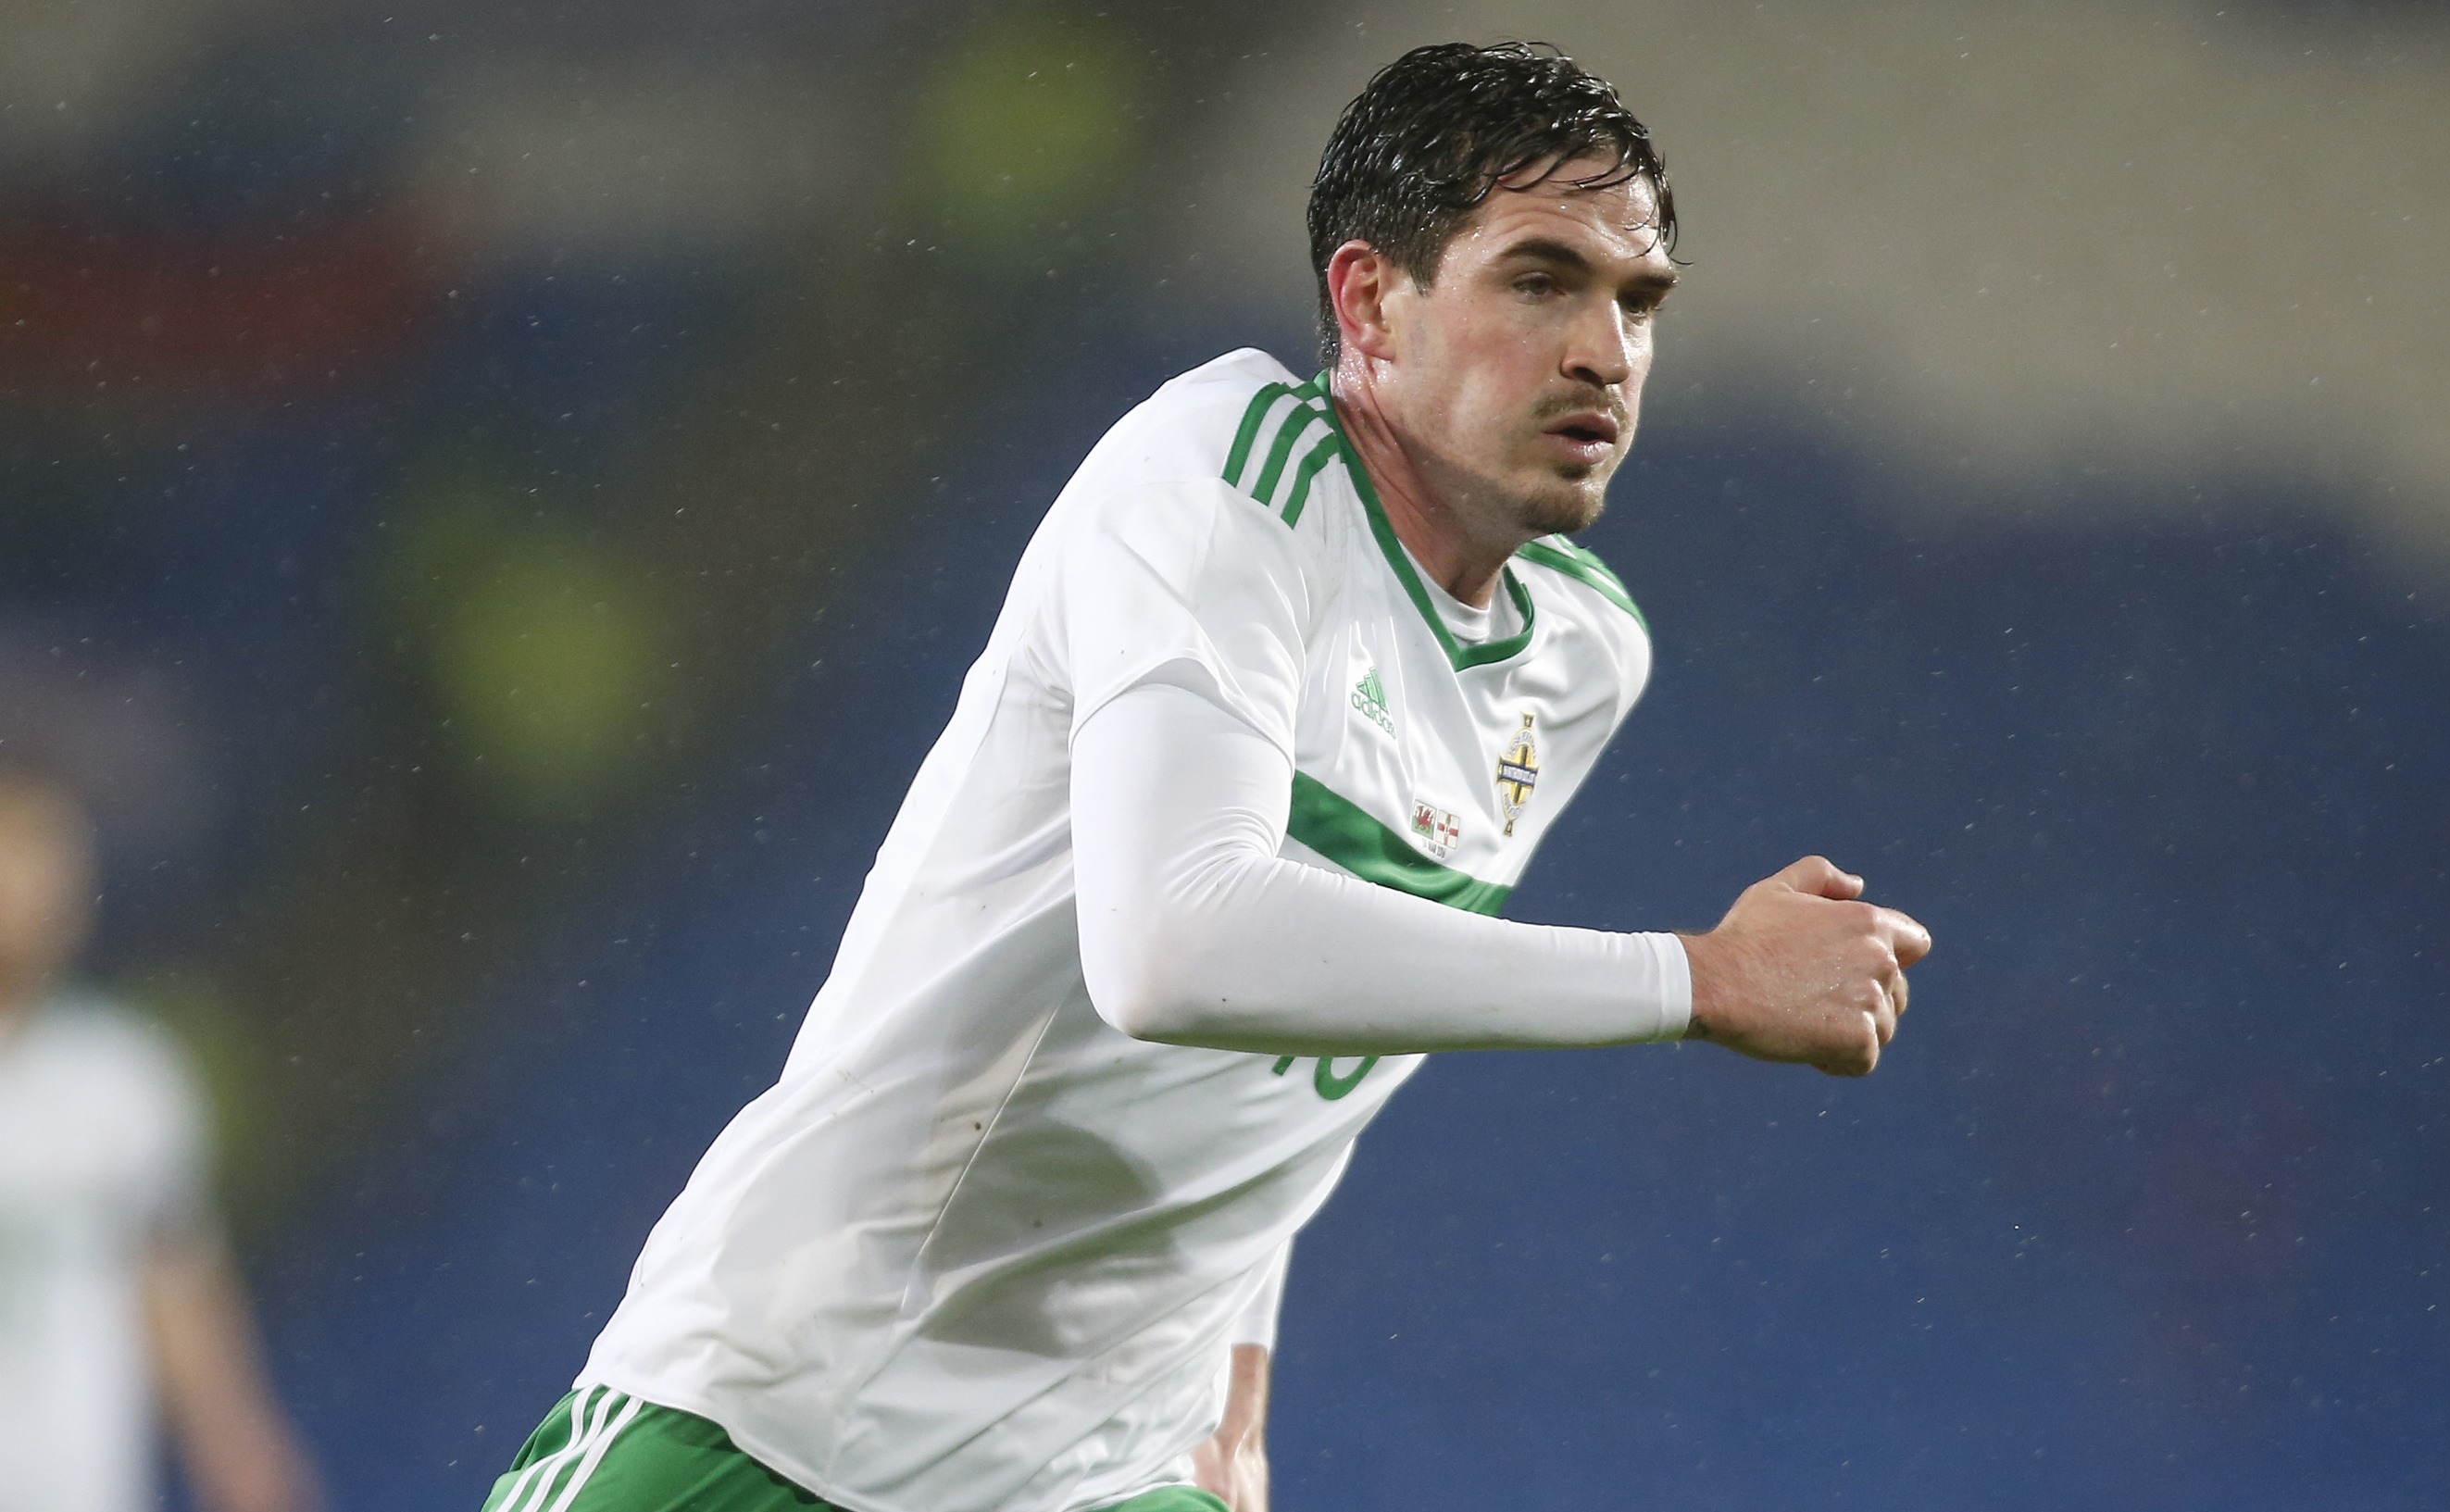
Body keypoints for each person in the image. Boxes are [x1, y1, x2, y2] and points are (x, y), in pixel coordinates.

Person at [486, 41, 1930, 1512]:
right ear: (1369, 303)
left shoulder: (1580, 657)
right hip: (793, 1421)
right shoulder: (1220, 480)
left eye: (1638, 301)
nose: (1604, 352)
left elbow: (1314, 1026)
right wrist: (1697, 978)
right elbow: (1178, 946)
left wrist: (1234, 1371)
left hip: (1102, 1470)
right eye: (1541, 280)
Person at [0, 763, 322, 1512]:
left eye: (59, 858)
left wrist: (240, 1449)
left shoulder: (121, 1078)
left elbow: (174, 1285)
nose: (43, 885)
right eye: (18, 851)